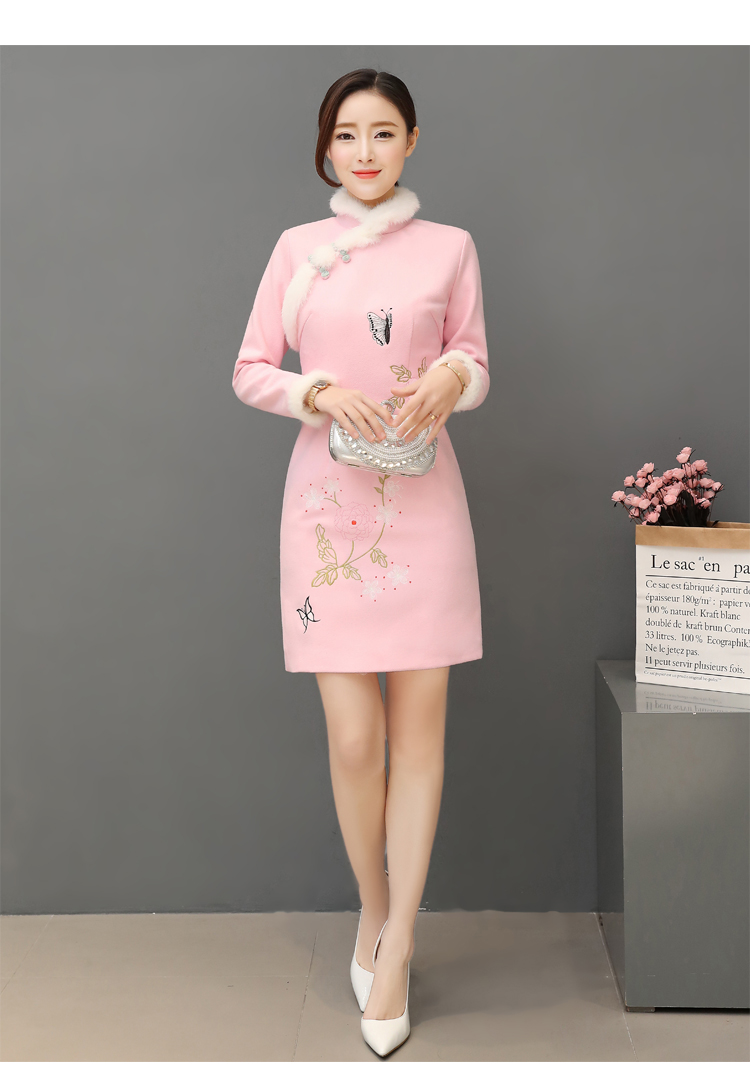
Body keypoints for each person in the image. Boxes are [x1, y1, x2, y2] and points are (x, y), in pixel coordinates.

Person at [231, 68, 490, 1057]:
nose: (365, 151)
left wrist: (454, 376)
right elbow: (251, 367)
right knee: (353, 738)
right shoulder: (297, 250)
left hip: (426, 509)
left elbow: (475, 354)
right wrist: (318, 391)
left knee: (419, 738)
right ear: (326, 147)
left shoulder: (451, 247)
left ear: (412, 140)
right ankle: (373, 912)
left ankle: (400, 944)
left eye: (384, 133)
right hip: (328, 516)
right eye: (348, 134)